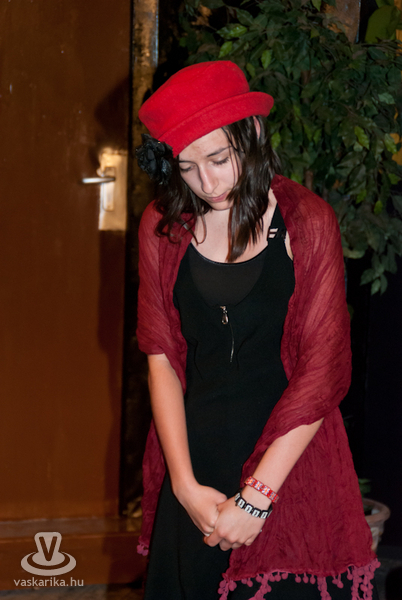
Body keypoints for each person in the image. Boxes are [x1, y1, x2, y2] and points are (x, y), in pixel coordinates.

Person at [135, 60, 379, 600]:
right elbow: (161, 357)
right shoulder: (162, 228)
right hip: (194, 463)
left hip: (289, 467)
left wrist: (257, 498)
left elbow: (323, 369)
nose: (207, 183)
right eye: (187, 167)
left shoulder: (306, 221)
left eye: (219, 159)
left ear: (252, 133)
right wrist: (184, 486)